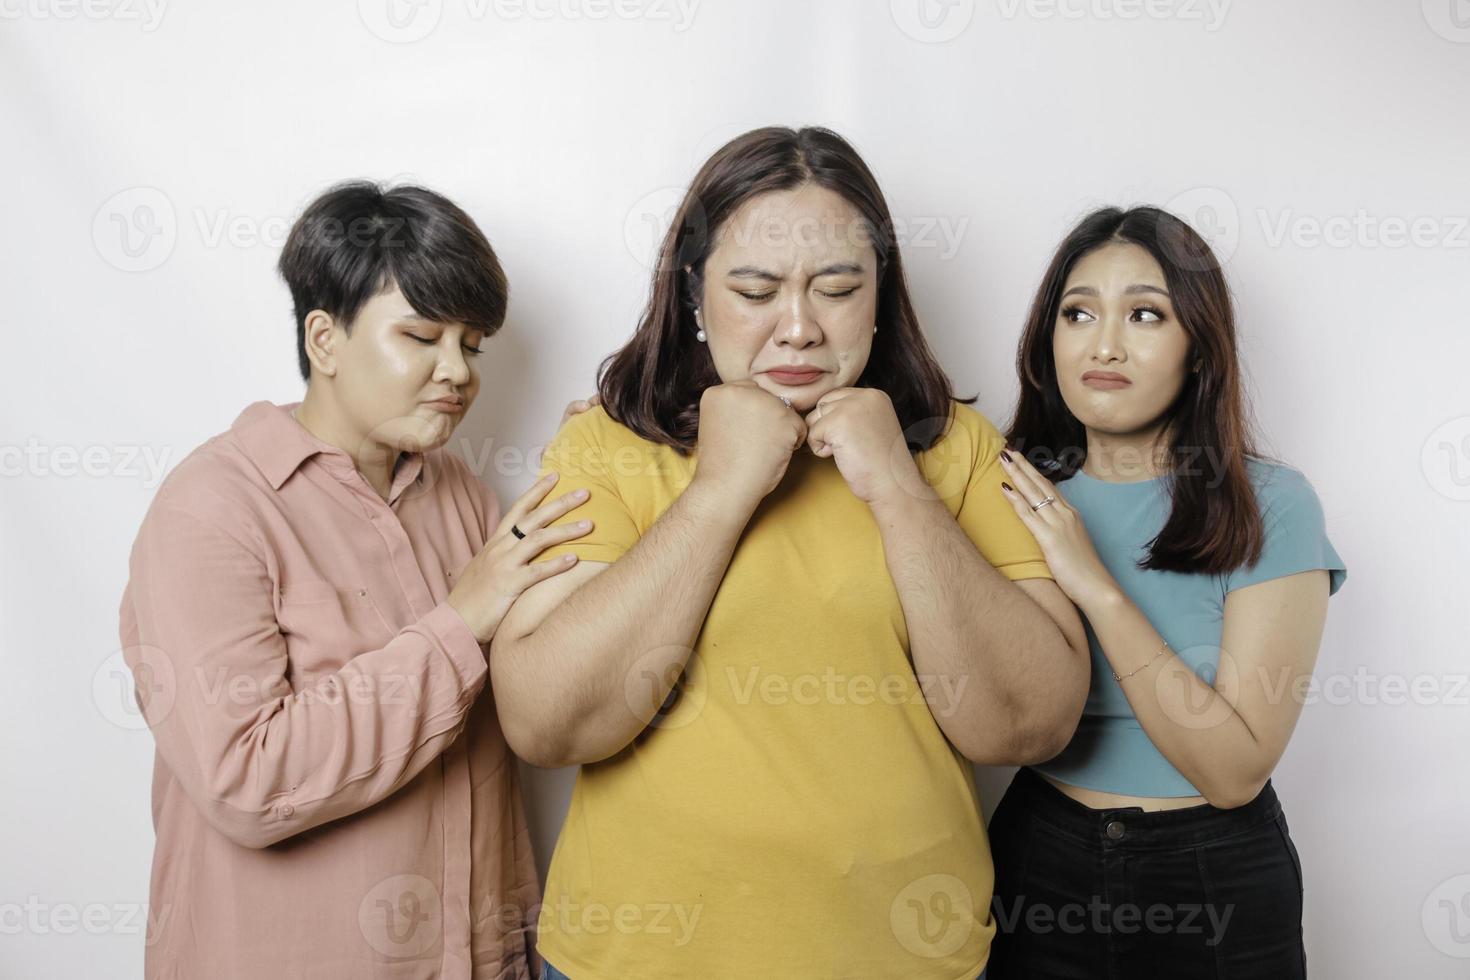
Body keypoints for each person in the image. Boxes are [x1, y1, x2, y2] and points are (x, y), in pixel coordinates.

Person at [489, 126, 1091, 979]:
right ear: (694, 295)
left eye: (838, 288)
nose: (800, 327)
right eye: (756, 289)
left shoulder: (955, 449)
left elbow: (1030, 722)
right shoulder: (606, 445)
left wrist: (896, 488)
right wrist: (720, 492)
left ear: (881, 298)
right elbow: (548, 723)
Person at [118, 180, 594, 979]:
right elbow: (245, 778)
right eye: (422, 335)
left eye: (471, 345)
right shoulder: (211, 508)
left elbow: (533, 718)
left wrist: (598, 469)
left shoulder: (467, 501)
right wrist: (458, 623)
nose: (459, 372)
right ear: (325, 339)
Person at [985, 206, 1347, 978]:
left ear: (1198, 349)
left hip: (1211, 873)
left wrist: (1095, 585)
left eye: (1146, 314)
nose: (1104, 343)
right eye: (1078, 312)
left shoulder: (1269, 504)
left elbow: (1234, 771)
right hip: (1037, 856)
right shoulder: (1007, 490)